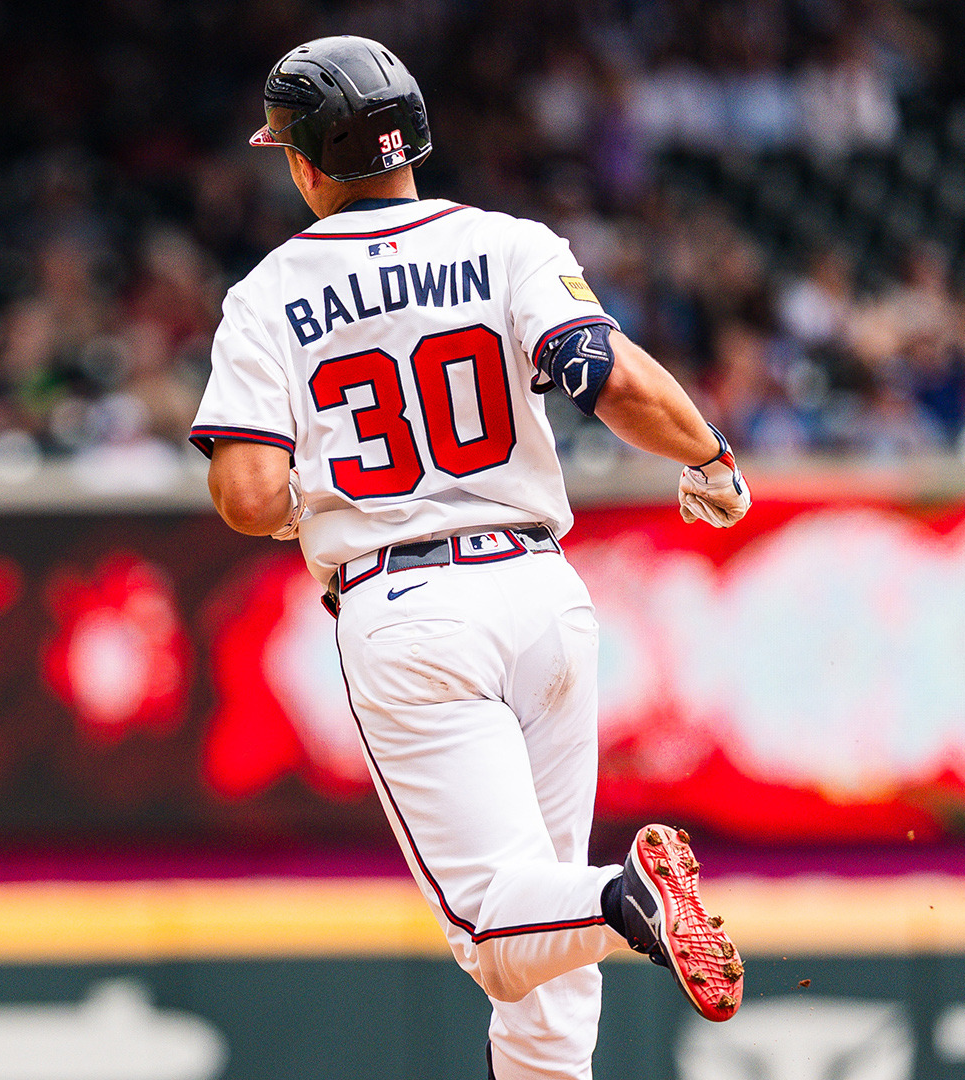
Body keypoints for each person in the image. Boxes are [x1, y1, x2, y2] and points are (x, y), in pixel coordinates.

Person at [190, 38, 751, 1079]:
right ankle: (608, 911)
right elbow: (610, 379)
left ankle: (627, 895)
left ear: (306, 161)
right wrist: (710, 454)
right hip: (541, 593)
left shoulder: (271, 291)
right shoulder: (508, 243)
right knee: (546, 940)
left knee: (498, 931)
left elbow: (251, 494)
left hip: (407, 608)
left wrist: (314, 495)